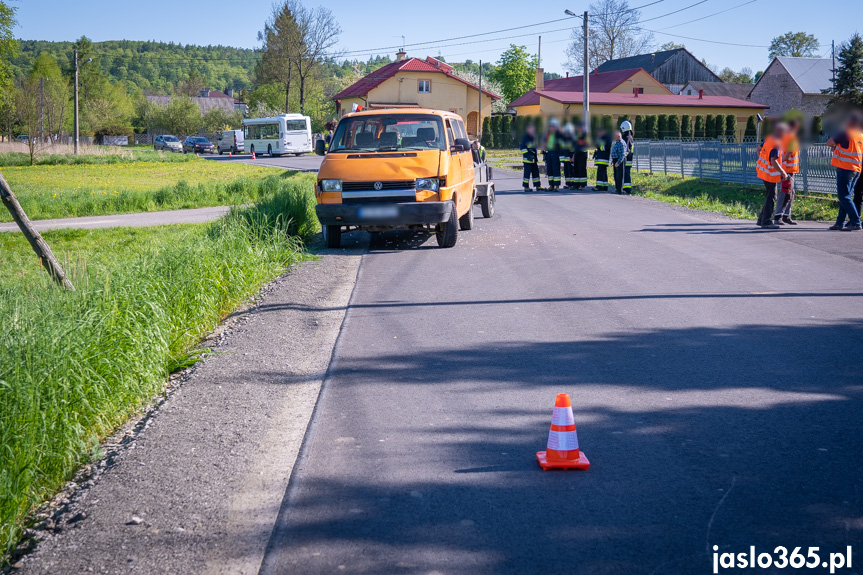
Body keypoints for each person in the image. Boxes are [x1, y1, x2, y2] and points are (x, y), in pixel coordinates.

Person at [827, 112, 863, 231]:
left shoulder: (845, 133)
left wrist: (835, 144)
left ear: (850, 122)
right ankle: (839, 222)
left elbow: (829, 142)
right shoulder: (860, 135)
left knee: (844, 197)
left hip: (845, 169)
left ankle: (856, 222)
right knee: (846, 196)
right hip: (856, 169)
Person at [755, 122, 789, 229]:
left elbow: (758, 149)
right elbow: (773, 160)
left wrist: (762, 160)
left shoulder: (769, 140)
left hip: (764, 172)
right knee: (771, 197)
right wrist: (783, 172)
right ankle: (766, 221)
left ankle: (761, 219)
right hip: (770, 175)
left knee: (769, 196)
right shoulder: (776, 143)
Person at [773, 118, 800, 225]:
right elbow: (786, 155)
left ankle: (785, 215)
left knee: (790, 193)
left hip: (786, 170)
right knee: (785, 193)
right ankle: (779, 216)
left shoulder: (784, 137)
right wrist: (780, 164)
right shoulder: (792, 139)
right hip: (787, 171)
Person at [520, 123, 543, 191]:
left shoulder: (534, 137)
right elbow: (522, 148)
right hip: (527, 160)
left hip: (533, 159)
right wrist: (528, 155)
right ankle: (526, 187)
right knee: (527, 174)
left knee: (536, 173)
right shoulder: (525, 137)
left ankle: (538, 185)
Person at [544, 118, 562, 191]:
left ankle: (557, 186)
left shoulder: (558, 134)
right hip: (549, 153)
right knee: (550, 170)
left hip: (556, 153)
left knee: (556, 170)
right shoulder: (548, 134)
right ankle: (551, 185)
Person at [592, 127, 612, 191]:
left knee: (600, 172)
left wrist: (598, 145)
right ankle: (605, 186)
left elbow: (606, 147)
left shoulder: (607, 138)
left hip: (603, 158)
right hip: (601, 157)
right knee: (603, 172)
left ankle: (599, 186)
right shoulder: (601, 138)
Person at [610, 130, 628, 195]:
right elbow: (615, 152)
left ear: (618, 136)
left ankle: (620, 190)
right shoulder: (616, 142)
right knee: (616, 175)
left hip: (619, 161)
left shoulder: (621, 143)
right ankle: (617, 189)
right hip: (616, 160)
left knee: (620, 176)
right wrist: (613, 161)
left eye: (615, 136)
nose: (613, 137)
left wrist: (618, 162)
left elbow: (622, 154)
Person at [620, 120, 635, 192]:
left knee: (626, 173)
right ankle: (626, 187)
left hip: (626, 159)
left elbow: (626, 149)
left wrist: (622, 157)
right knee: (626, 172)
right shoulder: (630, 137)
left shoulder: (627, 137)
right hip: (629, 158)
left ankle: (627, 188)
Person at [573, 124, 589, 189]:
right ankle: (576, 185)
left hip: (582, 154)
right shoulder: (577, 135)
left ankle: (582, 185)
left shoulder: (585, 136)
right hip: (577, 154)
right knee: (576, 170)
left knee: (581, 169)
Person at [561, 123, 575, 189]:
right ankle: (568, 184)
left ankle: (572, 184)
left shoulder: (572, 139)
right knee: (566, 172)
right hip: (565, 159)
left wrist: (572, 157)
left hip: (570, 158)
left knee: (571, 172)